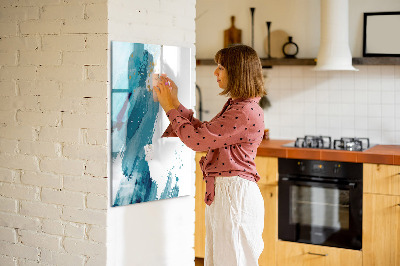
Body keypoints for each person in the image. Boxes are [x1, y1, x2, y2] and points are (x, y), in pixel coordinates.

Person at [154, 44, 266, 266]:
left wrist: (169, 107)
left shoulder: (243, 111)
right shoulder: (239, 106)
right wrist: (175, 103)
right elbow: (205, 133)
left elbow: (197, 141)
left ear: (237, 72)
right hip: (229, 194)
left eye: (221, 67)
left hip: (234, 196)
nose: (215, 72)